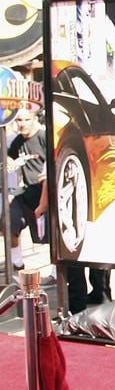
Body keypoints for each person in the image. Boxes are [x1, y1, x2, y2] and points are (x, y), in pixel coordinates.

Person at [6, 109, 47, 276]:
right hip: (27, 191)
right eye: (19, 120)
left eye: (26, 120)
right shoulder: (17, 141)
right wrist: (10, 161)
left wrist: (44, 203)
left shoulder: (44, 137)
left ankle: (54, 271)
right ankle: (17, 262)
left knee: (53, 234)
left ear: (35, 119)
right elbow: (9, 156)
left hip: (46, 191)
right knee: (9, 219)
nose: (22, 124)